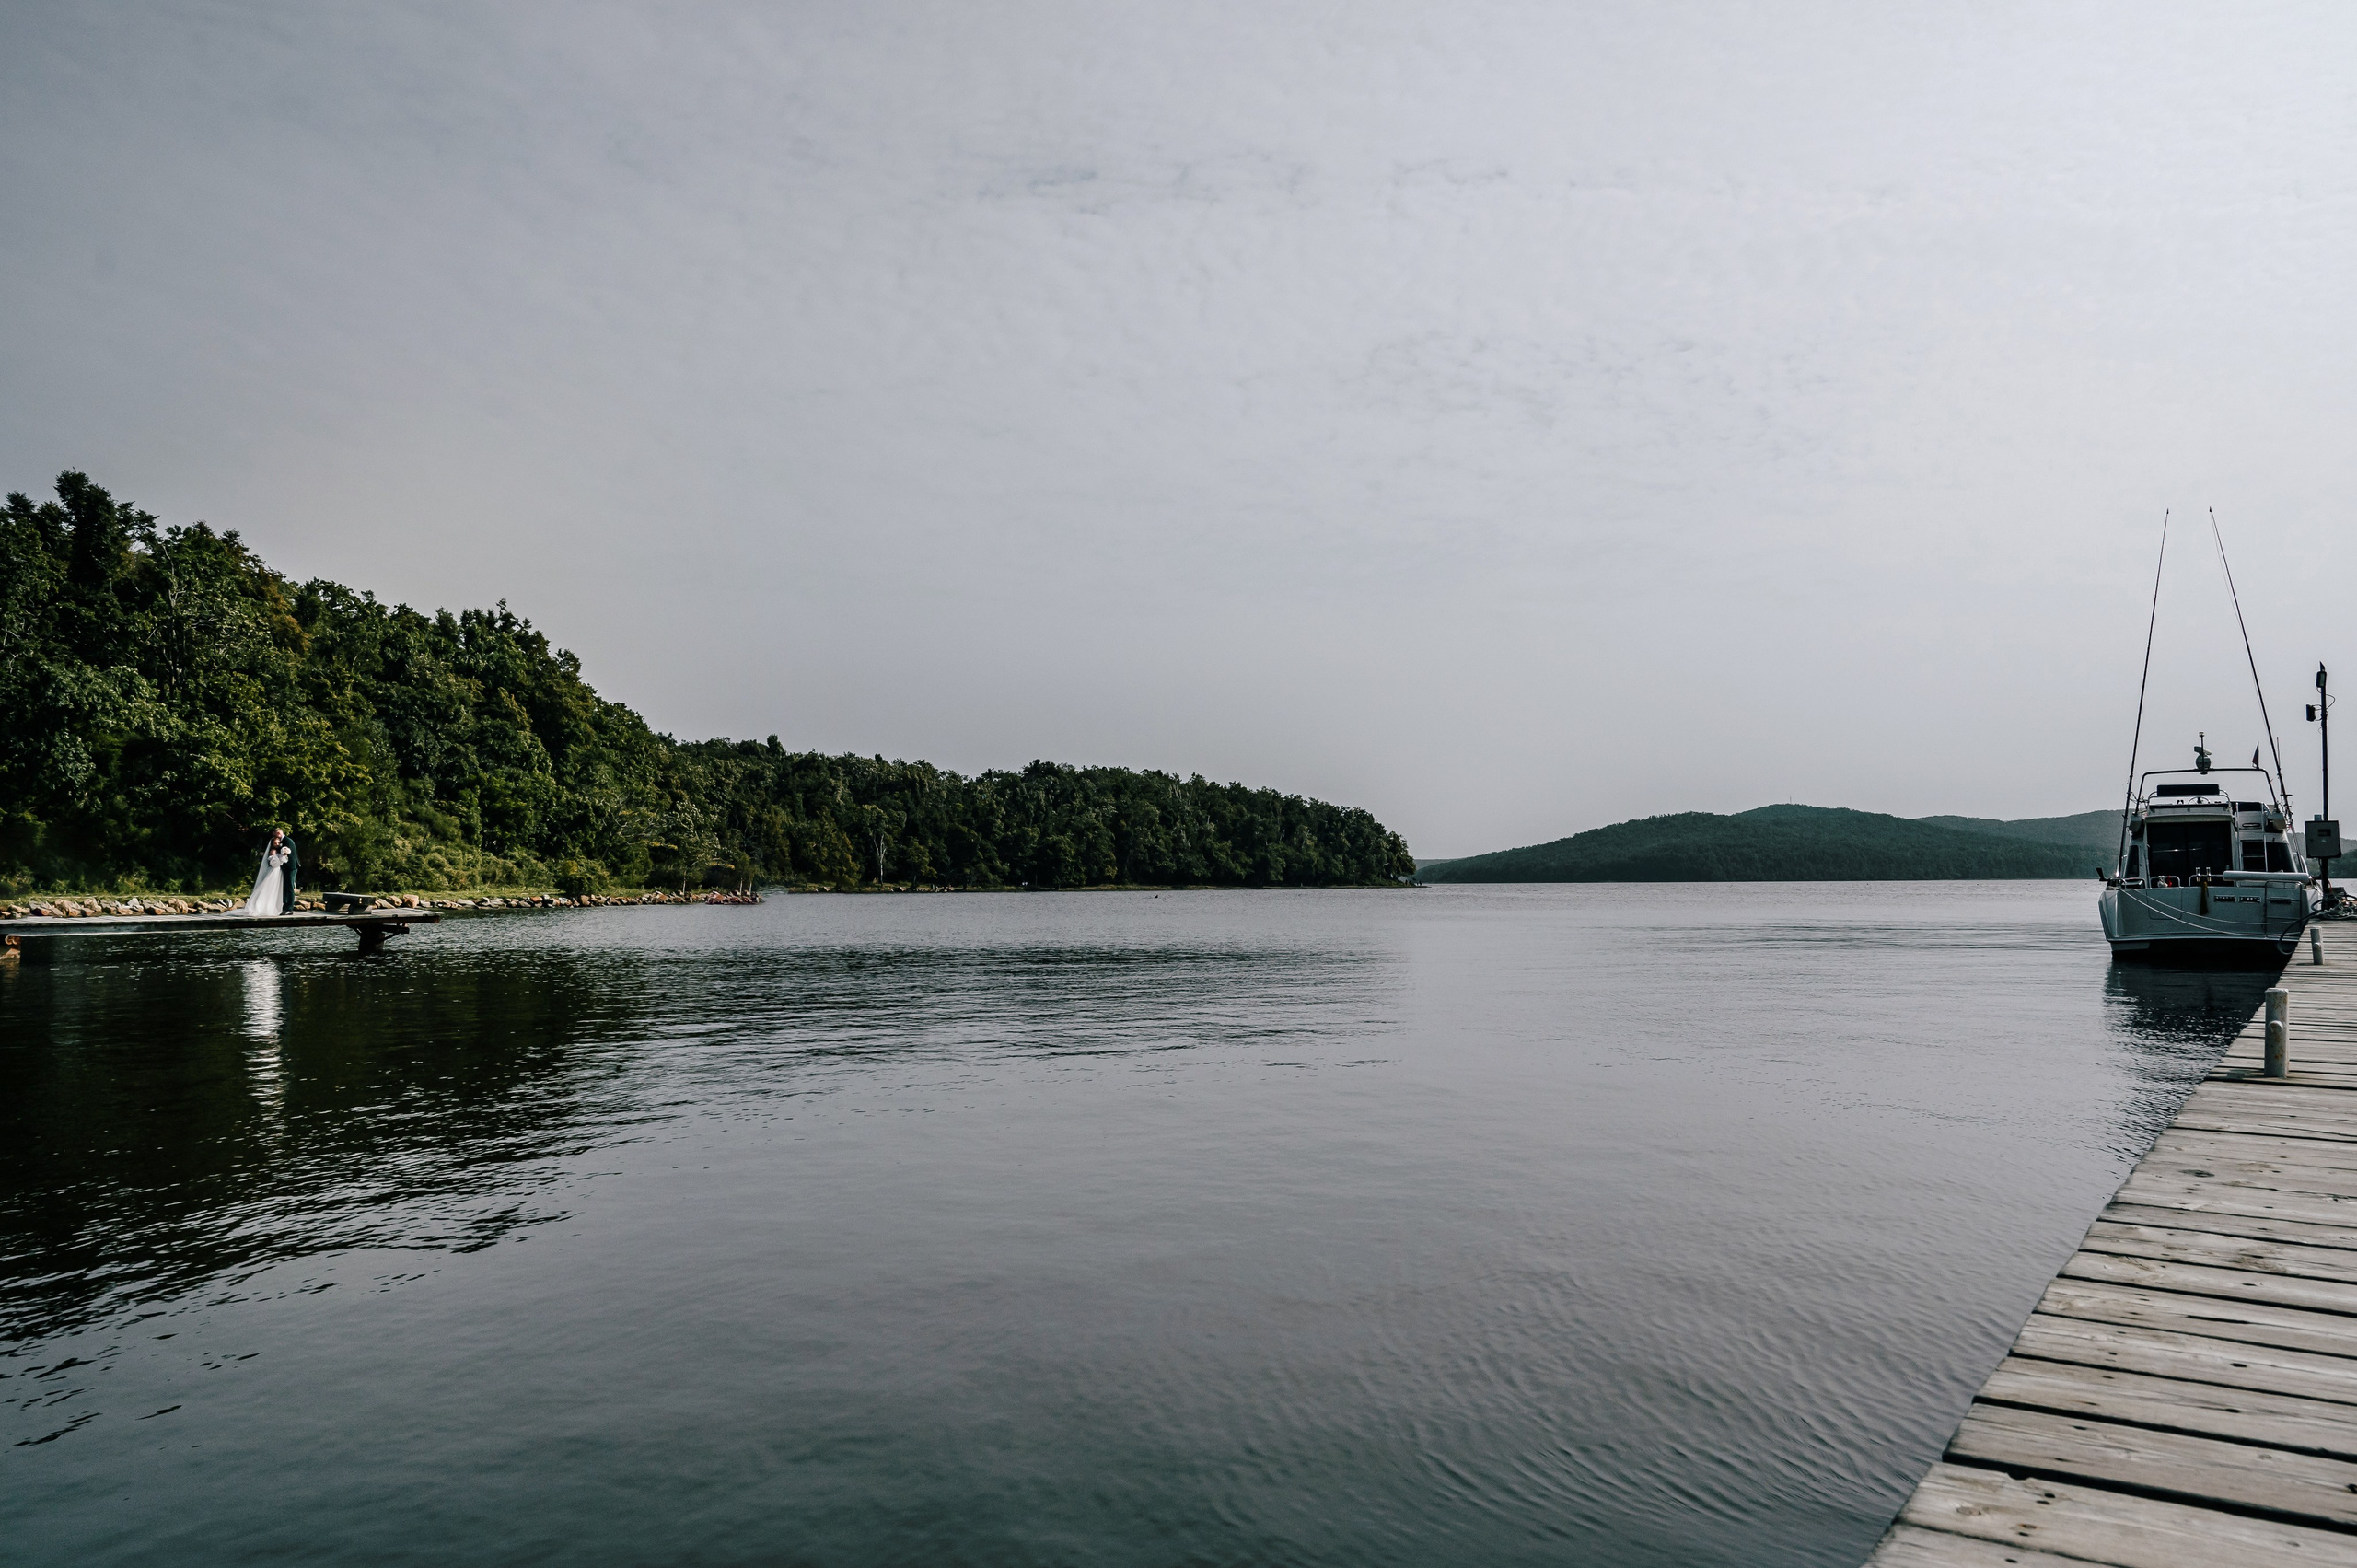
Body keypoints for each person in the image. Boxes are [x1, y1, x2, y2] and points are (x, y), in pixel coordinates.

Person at [240, 829, 290, 917]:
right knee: (269, 889)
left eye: (278, 843)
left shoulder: (278, 851)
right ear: (272, 844)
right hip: (274, 872)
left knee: (274, 890)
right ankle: (262, 906)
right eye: (275, 843)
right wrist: (282, 858)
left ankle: (271, 906)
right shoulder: (273, 851)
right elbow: (273, 864)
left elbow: (283, 861)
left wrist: (284, 855)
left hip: (278, 872)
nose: (277, 845)